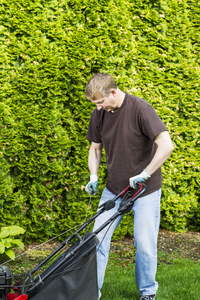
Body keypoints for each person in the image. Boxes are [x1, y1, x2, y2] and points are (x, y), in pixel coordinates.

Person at [84, 73, 174, 300]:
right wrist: (93, 176)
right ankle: (92, 293)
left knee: (144, 244)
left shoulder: (141, 110)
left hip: (145, 191)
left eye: (101, 102)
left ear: (112, 93)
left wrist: (145, 173)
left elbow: (166, 145)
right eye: (96, 104)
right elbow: (95, 148)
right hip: (113, 189)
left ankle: (147, 292)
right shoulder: (99, 114)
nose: (99, 108)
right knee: (98, 240)